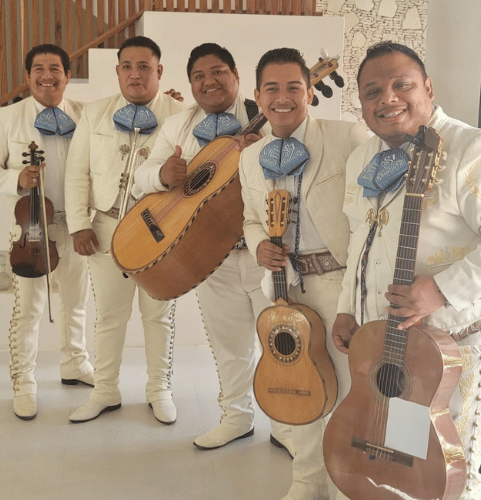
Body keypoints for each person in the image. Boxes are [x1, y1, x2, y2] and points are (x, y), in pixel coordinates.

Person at [332, 41, 481, 500]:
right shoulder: (364, 159)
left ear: (428, 88)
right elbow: (358, 240)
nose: (387, 99)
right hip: (393, 350)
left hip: (455, 348)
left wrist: (441, 289)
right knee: (406, 464)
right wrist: (348, 307)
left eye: (402, 85)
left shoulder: (471, 149)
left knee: (454, 473)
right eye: (372, 91)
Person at [134, 42, 294, 454]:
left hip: (266, 253)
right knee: (228, 346)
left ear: (237, 76)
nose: (209, 81)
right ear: (190, 85)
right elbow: (141, 175)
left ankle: (286, 426)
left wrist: (266, 150)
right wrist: (162, 175)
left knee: (279, 343)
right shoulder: (179, 127)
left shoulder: (267, 117)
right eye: (199, 76)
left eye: (218, 71)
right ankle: (236, 418)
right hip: (210, 256)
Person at [239, 48, 369, 500]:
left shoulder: (346, 136)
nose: (282, 97)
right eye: (271, 88)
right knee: (299, 391)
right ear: (257, 97)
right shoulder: (248, 158)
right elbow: (249, 218)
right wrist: (258, 244)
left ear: (310, 92)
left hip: (338, 284)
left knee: (345, 393)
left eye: (294, 87)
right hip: (284, 288)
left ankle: (341, 488)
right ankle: (306, 481)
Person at [65, 36, 187, 424]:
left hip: (160, 233)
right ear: (118, 71)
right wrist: (79, 224)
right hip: (104, 228)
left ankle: (159, 390)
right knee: (110, 316)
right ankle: (105, 391)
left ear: (159, 71)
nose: (136, 75)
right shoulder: (94, 113)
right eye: (128, 67)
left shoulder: (180, 115)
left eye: (145, 67)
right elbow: (76, 173)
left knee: (159, 316)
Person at [0, 44, 94, 420]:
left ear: (68, 75)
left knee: (75, 301)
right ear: (27, 76)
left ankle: (75, 364)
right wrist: (16, 177)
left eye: (55, 68)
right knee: (28, 309)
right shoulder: (3, 119)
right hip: (31, 228)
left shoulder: (86, 114)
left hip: (78, 224)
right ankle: (24, 380)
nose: (46, 75)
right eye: (38, 68)